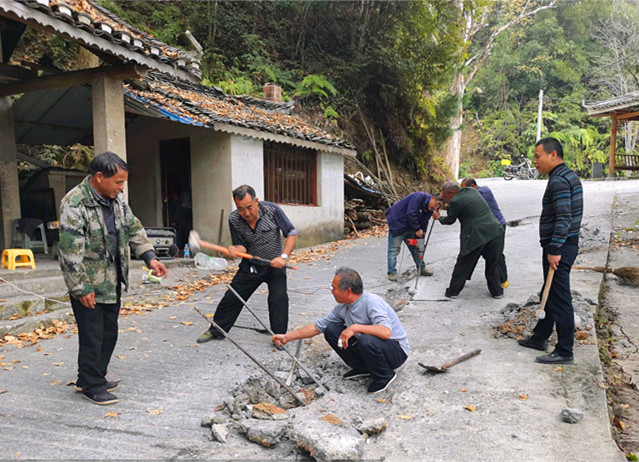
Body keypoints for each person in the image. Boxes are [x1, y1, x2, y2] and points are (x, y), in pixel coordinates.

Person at [59, 152, 167, 405]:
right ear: (99, 177)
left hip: (113, 280)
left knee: (109, 332)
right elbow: (69, 251)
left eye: (123, 183)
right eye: (118, 182)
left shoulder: (116, 200)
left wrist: (150, 257)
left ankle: (91, 376)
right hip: (89, 283)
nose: (121, 187)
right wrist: (80, 287)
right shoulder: (75, 203)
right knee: (92, 334)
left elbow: (134, 229)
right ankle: (91, 384)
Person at [272, 267, 409, 394]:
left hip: (396, 352)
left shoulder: (372, 302)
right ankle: (363, 367)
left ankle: (384, 375)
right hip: (375, 347)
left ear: (347, 291)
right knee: (331, 330)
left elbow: (386, 332)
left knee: (367, 339)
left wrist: (355, 327)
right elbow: (317, 326)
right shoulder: (343, 307)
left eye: (334, 288)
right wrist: (288, 337)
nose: (331, 291)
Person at [197, 185, 297, 343]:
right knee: (232, 296)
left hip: (275, 264)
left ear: (256, 201)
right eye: (241, 209)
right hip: (251, 265)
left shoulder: (272, 211)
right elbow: (241, 246)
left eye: (249, 207)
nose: (247, 213)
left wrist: (284, 257)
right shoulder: (234, 219)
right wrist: (234, 250)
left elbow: (291, 232)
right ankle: (217, 330)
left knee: (279, 299)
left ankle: (279, 336)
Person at [518, 138, 582, 365]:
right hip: (566, 244)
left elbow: (564, 218)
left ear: (553, 155)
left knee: (560, 297)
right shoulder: (567, 176)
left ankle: (565, 350)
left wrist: (554, 249)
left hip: (560, 247)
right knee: (550, 290)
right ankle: (540, 336)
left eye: (538, 156)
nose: (535, 162)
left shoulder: (559, 182)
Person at [433, 181, 504, 299]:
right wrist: (446, 206)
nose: (444, 199)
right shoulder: (471, 191)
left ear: (452, 193)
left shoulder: (455, 201)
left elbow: (450, 220)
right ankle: (497, 292)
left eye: (445, 196)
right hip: (495, 232)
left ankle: (453, 292)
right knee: (492, 265)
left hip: (476, 236)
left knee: (463, 264)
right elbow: (465, 207)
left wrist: (439, 218)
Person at [460, 178, 509, 288]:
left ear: (473, 186)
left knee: (497, 254)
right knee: (474, 251)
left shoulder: (483, 192)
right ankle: (463, 277)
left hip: (497, 226)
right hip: (485, 227)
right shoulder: (474, 193)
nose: (463, 192)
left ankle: (503, 280)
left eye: (465, 189)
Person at [385, 192, 440, 281]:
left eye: (438, 208)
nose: (435, 208)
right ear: (433, 198)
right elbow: (411, 213)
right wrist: (417, 229)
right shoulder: (418, 197)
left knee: (416, 248)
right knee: (394, 250)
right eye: (436, 205)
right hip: (398, 223)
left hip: (410, 227)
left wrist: (422, 237)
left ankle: (421, 268)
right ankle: (392, 272)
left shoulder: (430, 209)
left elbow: (424, 222)